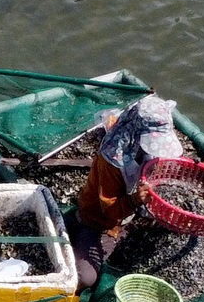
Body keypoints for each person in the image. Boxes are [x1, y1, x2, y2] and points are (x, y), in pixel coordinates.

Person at [71, 95, 183, 288]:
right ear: (137, 134)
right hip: (100, 222)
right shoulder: (112, 161)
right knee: (86, 278)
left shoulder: (150, 150)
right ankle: (71, 244)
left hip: (132, 217)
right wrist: (134, 201)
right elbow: (109, 208)